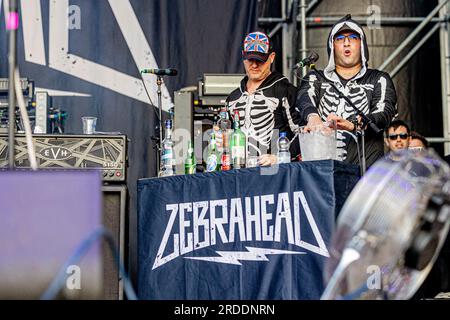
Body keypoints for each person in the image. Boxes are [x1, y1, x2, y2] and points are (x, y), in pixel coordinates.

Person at [295, 14, 397, 168]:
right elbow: (304, 97)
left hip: (364, 174)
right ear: (332, 45)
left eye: (353, 37)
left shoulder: (379, 78)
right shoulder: (316, 78)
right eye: (340, 38)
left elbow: (385, 112)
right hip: (323, 175)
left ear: (362, 45)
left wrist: (355, 123)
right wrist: (313, 117)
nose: (347, 42)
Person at [226, 31, 301, 166]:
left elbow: (304, 134)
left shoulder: (285, 91)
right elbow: (227, 139)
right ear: (243, 57)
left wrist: (280, 157)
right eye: (250, 59)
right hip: (239, 173)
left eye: (260, 60)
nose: (254, 65)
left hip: (276, 174)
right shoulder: (232, 98)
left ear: (271, 57)